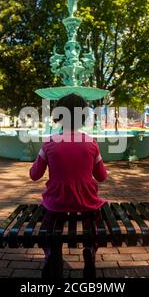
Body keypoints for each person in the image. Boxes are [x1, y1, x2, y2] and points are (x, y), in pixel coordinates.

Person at [29, 94, 108, 279]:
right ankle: (90, 248)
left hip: (57, 201)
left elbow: (34, 176)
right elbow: (102, 177)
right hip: (86, 201)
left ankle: (51, 252)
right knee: (93, 217)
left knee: (50, 222)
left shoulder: (49, 142)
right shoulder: (91, 142)